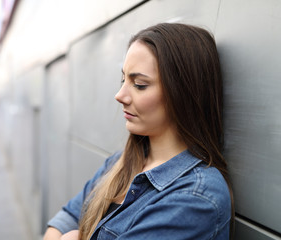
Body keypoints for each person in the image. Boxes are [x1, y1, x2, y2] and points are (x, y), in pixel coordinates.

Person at [44, 23, 234, 240]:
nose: (120, 95)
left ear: (182, 92)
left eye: (140, 84)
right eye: (123, 79)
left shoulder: (196, 197)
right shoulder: (119, 163)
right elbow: (64, 219)